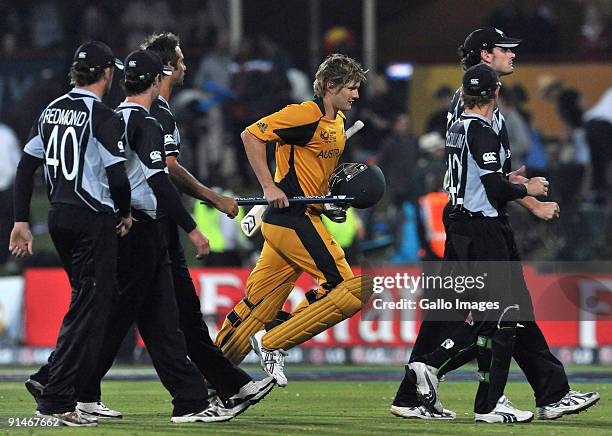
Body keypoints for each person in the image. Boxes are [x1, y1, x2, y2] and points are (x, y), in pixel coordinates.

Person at [391, 27, 599, 422]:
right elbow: (482, 176)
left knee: (454, 313)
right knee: (505, 313)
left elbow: (478, 170)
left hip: (466, 220)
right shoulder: (475, 110)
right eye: (505, 49)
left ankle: (414, 392)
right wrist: (529, 201)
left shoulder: (465, 104)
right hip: (478, 222)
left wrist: (511, 182)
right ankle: (536, 394)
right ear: (485, 56)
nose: (512, 55)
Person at [214, 53, 373, 386]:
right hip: (290, 218)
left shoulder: (339, 122)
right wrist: (268, 186)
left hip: (300, 215)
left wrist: (328, 204)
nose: (356, 95)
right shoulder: (304, 114)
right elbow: (251, 136)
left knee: (258, 305)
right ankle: (274, 341)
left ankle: (209, 378)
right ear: (330, 86)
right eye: (352, 88)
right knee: (345, 289)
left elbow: (314, 176)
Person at [9, 41, 132, 426]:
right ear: (107, 74)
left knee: (88, 304)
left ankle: (60, 385)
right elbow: (116, 176)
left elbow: (26, 168)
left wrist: (21, 221)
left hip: (60, 217)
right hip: (92, 218)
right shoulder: (103, 116)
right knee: (89, 310)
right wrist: (125, 212)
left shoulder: (50, 110)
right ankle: (57, 398)